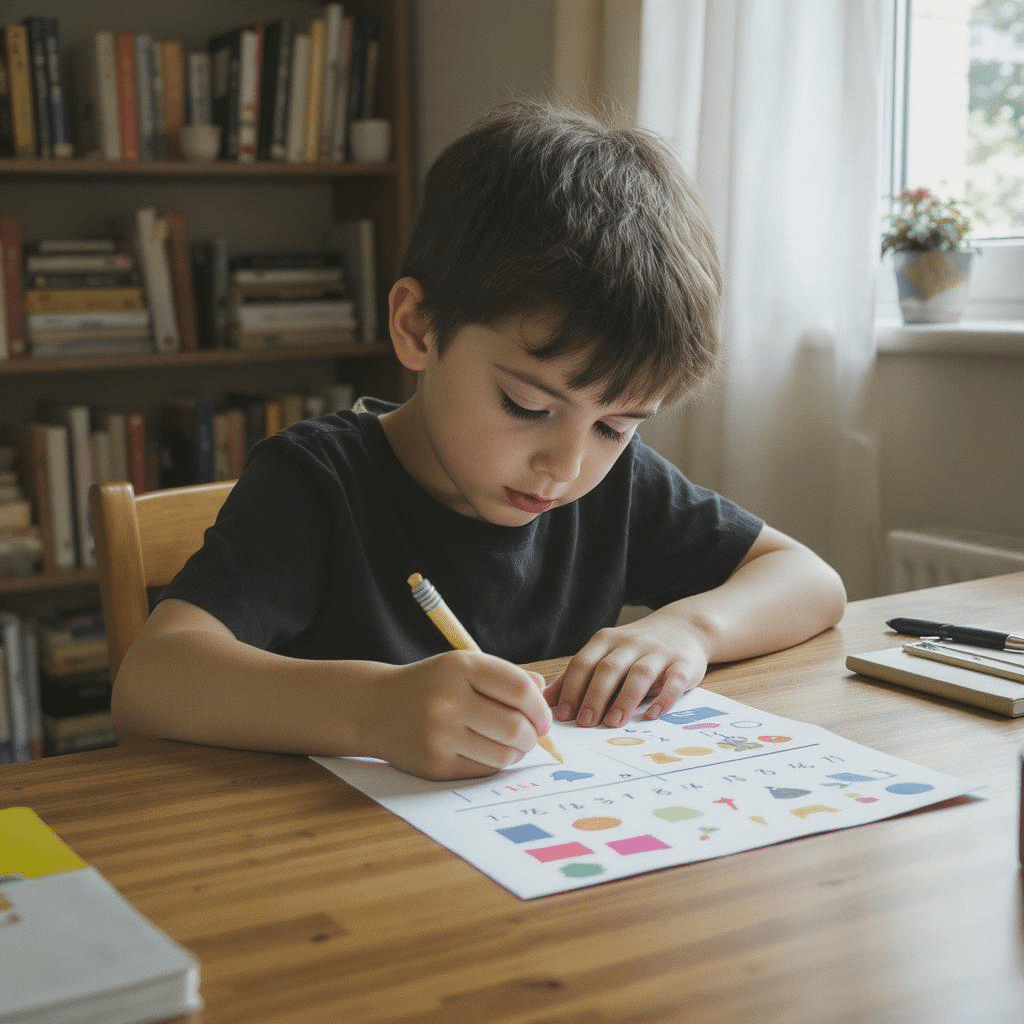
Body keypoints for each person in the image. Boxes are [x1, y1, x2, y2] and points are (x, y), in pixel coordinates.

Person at [113, 99, 846, 781]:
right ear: (418, 329)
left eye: (615, 426)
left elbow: (810, 580)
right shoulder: (319, 482)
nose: (566, 466)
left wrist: (690, 629)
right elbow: (152, 681)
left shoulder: (616, 486)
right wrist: (374, 709)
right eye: (527, 404)